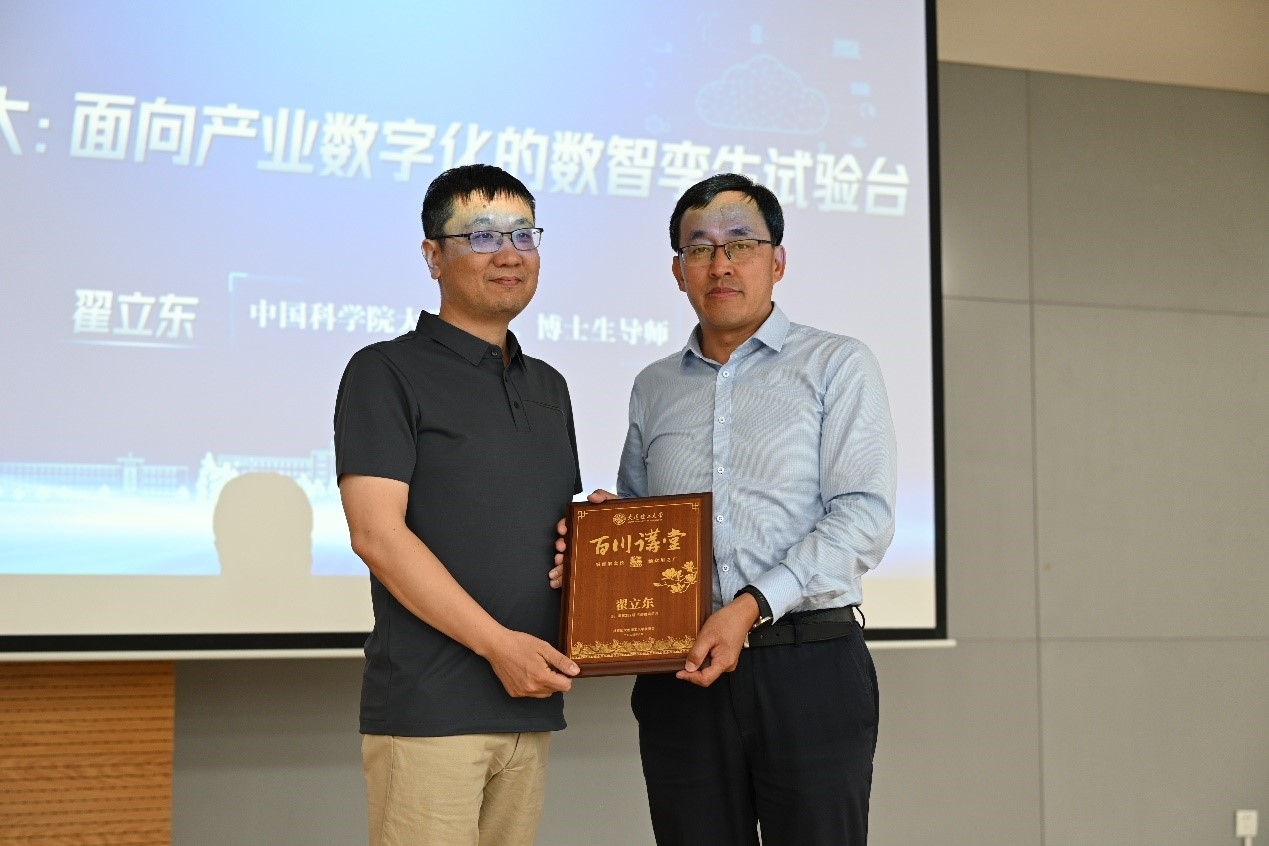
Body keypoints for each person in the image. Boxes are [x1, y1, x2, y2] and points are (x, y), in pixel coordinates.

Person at [554, 172, 896, 845]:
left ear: (777, 261)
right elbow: (647, 518)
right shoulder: (653, 385)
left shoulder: (837, 363)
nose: (721, 264)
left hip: (808, 662)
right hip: (682, 674)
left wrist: (750, 606)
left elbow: (864, 514)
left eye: (740, 244)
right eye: (700, 248)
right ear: (677, 270)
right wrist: (606, 536)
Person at [335, 163, 582, 846]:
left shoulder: (550, 387)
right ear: (432, 256)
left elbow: (544, 533)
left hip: (530, 704)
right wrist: (499, 646)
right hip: (430, 711)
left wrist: (595, 546)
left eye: (524, 234)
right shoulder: (385, 371)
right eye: (482, 235)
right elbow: (377, 535)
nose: (509, 254)